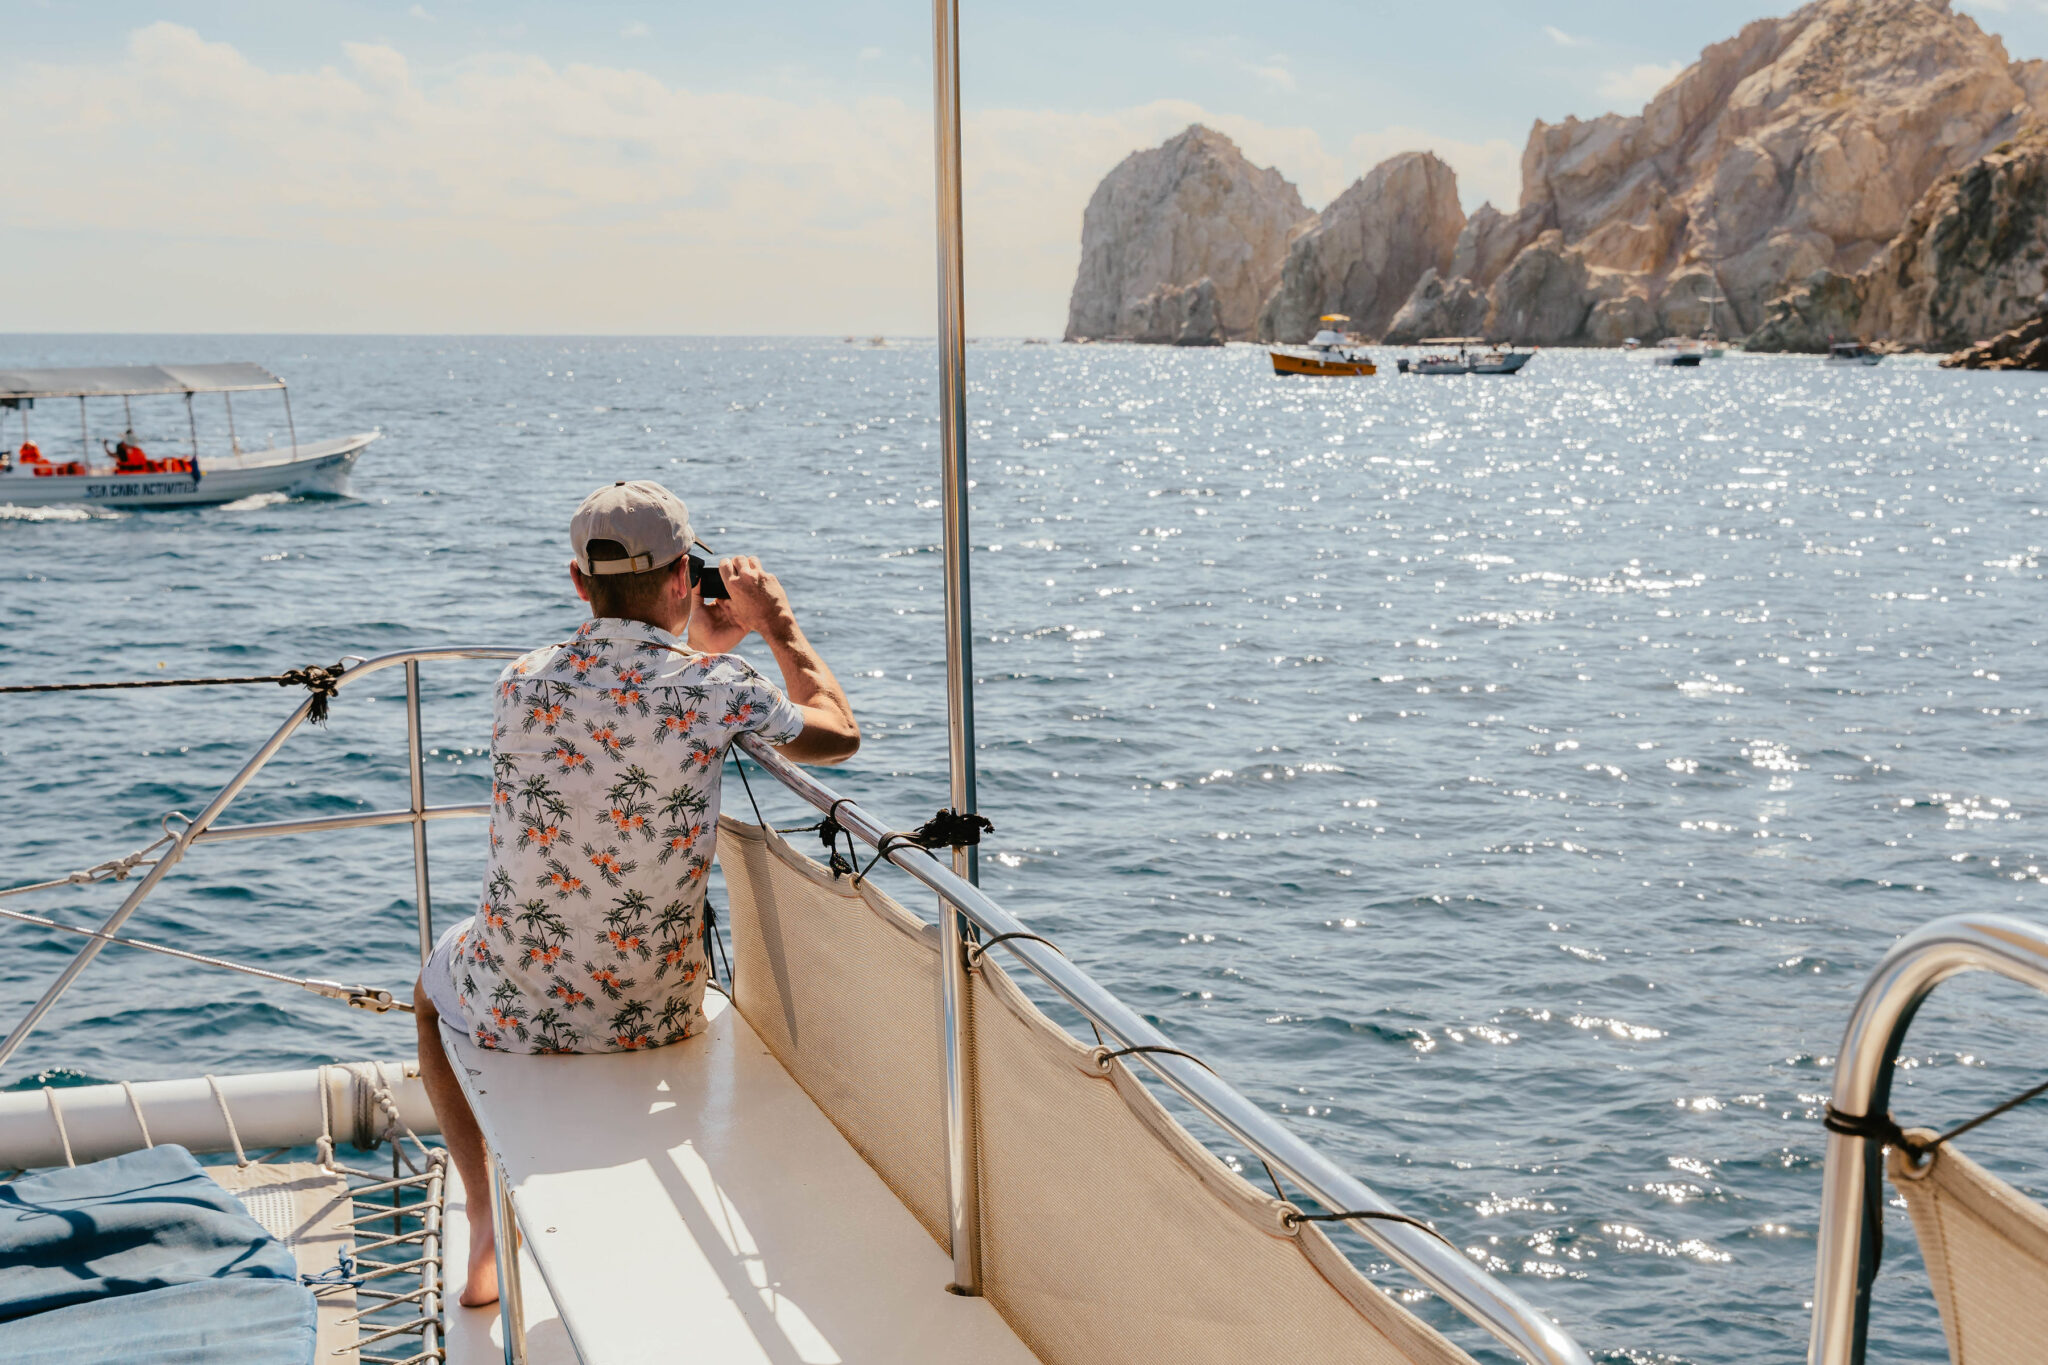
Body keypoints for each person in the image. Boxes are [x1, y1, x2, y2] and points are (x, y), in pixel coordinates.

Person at [412, 479, 859, 1307]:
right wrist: (773, 623)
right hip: (654, 1009)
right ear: (687, 575)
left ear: (579, 583)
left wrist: (693, 639)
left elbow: (626, 682)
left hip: (515, 1001)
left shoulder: (518, 680)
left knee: (429, 995)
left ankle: (482, 1216)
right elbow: (838, 732)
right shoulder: (718, 686)